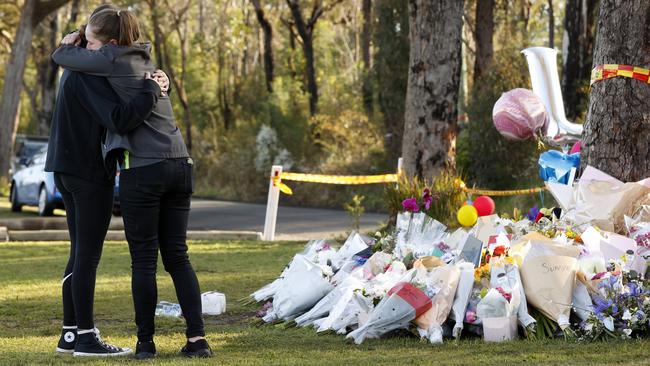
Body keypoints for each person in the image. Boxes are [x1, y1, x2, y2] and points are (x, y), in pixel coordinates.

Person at [52, 7, 211, 359]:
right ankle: (194, 339)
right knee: (172, 257)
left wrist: (70, 44)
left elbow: (118, 117)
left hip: (130, 169)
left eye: (88, 42)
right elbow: (120, 117)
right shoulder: (142, 64)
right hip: (174, 163)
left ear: (107, 44)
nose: (83, 48)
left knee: (126, 259)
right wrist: (155, 88)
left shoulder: (99, 66)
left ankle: (132, 343)